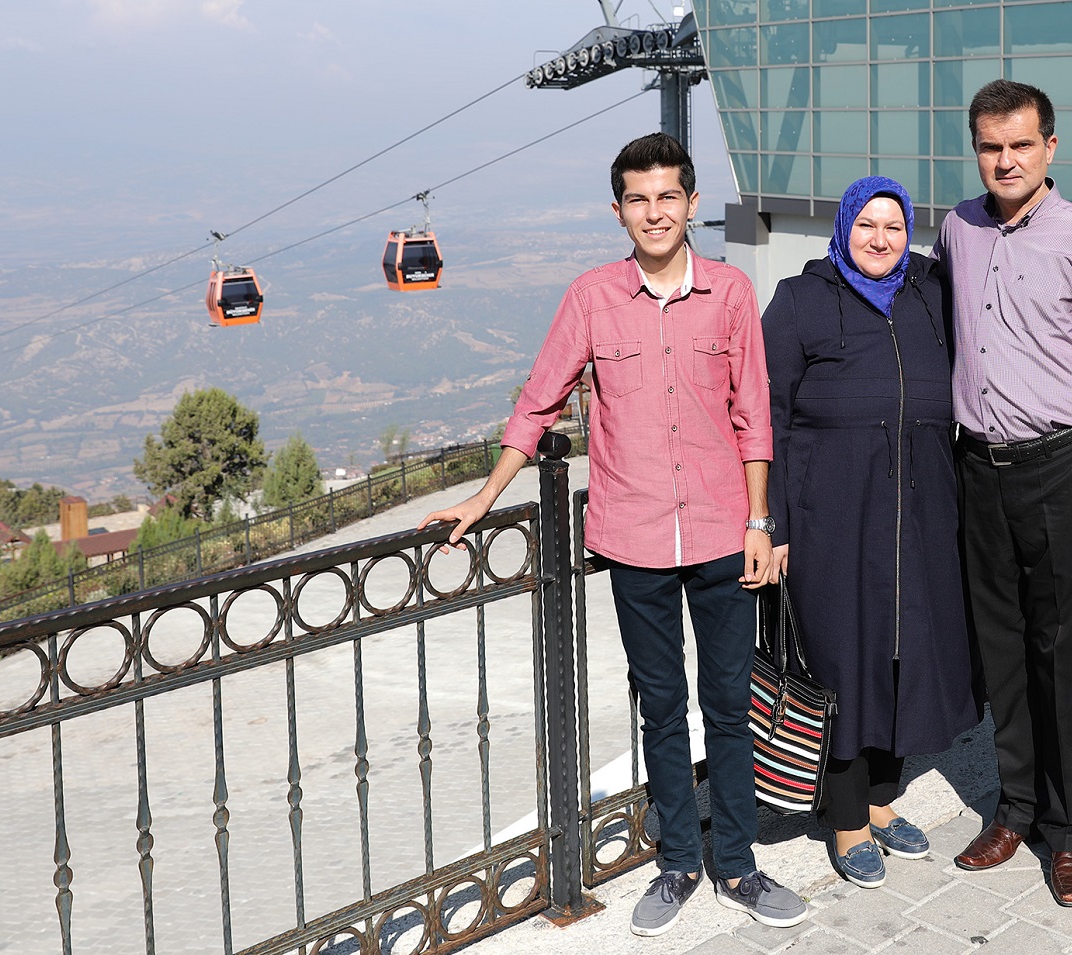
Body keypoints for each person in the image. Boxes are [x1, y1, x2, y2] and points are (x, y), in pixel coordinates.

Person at [419, 132, 808, 939]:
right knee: (662, 707)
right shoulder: (591, 297)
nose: (655, 211)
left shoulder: (732, 292)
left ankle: (736, 861)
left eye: (668, 196)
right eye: (639, 198)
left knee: (728, 703)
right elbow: (537, 400)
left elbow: (755, 415)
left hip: (718, 532)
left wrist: (759, 522)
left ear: (692, 203)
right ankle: (677, 861)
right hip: (631, 538)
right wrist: (484, 498)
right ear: (618, 211)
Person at [935, 79, 1072, 908]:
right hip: (977, 465)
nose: (1005, 159)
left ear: (1052, 146)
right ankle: (1014, 807)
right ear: (976, 149)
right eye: (990, 145)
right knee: (1000, 646)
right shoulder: (956, 227)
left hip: (1061, 465)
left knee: (1059, 653)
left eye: (1020, 144)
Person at [761, 176, 977, 890]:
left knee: (905, 654)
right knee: (845, 661)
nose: (881, 239)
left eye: (893, 226)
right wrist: (774, 523)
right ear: (844, 228)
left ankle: (883, 800)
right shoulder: (801, 301)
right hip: (831, 513)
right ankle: (847, 818)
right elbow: (767, 415)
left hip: (922, 507)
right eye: (867, 225)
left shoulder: (929, 291)